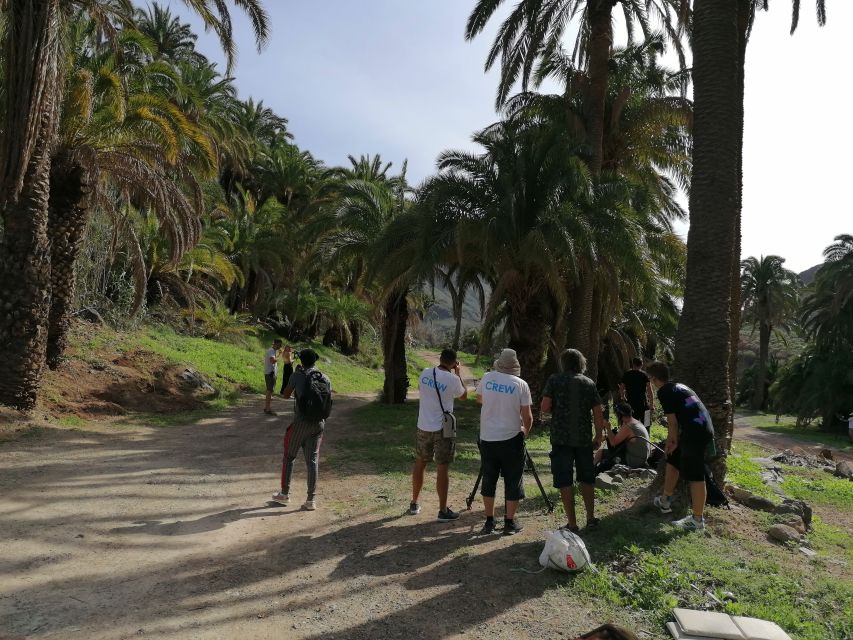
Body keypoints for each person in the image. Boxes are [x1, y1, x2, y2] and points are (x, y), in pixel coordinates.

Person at [541, 349, 608, 533]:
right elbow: (597, 411)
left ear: (563, 363)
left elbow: (545, 407)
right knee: (587, 478)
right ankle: (591, 518)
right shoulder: (588, 383)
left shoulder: (554, 380)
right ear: (581, 363)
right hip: (584, 439)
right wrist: (598, 435)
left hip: (561, 439)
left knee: (565, 480)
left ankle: (572, 524)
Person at [646, 361, 714, 530]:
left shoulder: (664, 391)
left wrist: (671, 439)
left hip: (695, 433)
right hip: (700, 428)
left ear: (654, 379)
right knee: (673, 458)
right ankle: (665, 501)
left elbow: (672, 422)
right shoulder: (679, 386)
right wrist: (673, 442)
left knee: (695, 474)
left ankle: (697, 520)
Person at [475, 348, 533, 536]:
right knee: (513, 480)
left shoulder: (487, 378)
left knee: (489, 478)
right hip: (511, 439)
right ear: (514, 366)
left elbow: (479, 399)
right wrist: (525, 431)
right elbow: (528, 416)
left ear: (499, 363)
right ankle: (509, 523)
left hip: (487, 438)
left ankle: (489, 522)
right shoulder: (521, 384)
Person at [410, 348, 467, 521]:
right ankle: (442, 510)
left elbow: (421, 389)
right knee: (442, 467)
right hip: (443, 429)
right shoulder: (453, 379)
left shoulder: (426, 373)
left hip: (423, 426)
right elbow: (464, 396)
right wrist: (458, 374)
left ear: (440, 359)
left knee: (420, 463)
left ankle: (414, 502)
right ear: (453, 363)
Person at [272, 349, 331, 511]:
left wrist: (292, 373)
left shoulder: (298, 375)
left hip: (300, 423)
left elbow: (285, 394)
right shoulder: (324, 377)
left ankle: (284, 494)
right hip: (319, 424)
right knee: (312, 461)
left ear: (301, 361)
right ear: (315, 361)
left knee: (289, 457)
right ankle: (311, 500)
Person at [594, 402, 651, 473]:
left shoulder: (628, 426)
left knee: (602, 453)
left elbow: (613, 443)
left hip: (635, 460)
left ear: (620, 415)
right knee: (601, 450)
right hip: (641, 457)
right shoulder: (634, 421)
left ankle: (592, 470)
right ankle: (593, 467)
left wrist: (608, 428)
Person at [618, 357, 654, 424]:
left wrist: (623, 397)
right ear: (641, 364)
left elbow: (621, 388)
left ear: (633, 364)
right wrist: (651, 405)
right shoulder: (644, 375)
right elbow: (650, 390)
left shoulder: (627, 374)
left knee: (632, 426)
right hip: (643, 403)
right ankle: (646, 434)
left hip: (631, 404)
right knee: (646, 424)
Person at [263, 339, 283, 415]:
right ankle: (267, 409)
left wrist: (278, 355)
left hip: (271, 373)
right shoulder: (271, 351)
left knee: (270, 391)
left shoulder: (273, 351)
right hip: (270, 374)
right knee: (269, 391)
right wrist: (280, 355)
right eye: (279, 345)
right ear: (275, 344)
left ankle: (267, 408)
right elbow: (272, 361)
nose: (280, 346)